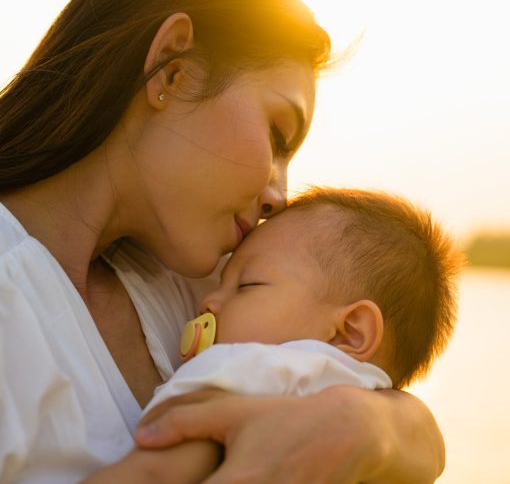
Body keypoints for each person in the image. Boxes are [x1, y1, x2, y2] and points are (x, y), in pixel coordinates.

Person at [0, 0, 446, 483]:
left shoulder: (198, 284)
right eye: (279, 136)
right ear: (172, 68)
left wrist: (365, 425)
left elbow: (388, 396)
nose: (279, 196)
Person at [115, 187, 461, 483]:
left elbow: (154, 471)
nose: (209, 300)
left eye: (247, 285)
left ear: (351, 330)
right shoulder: (376, 410)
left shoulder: (250, 367)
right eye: (222, 282)